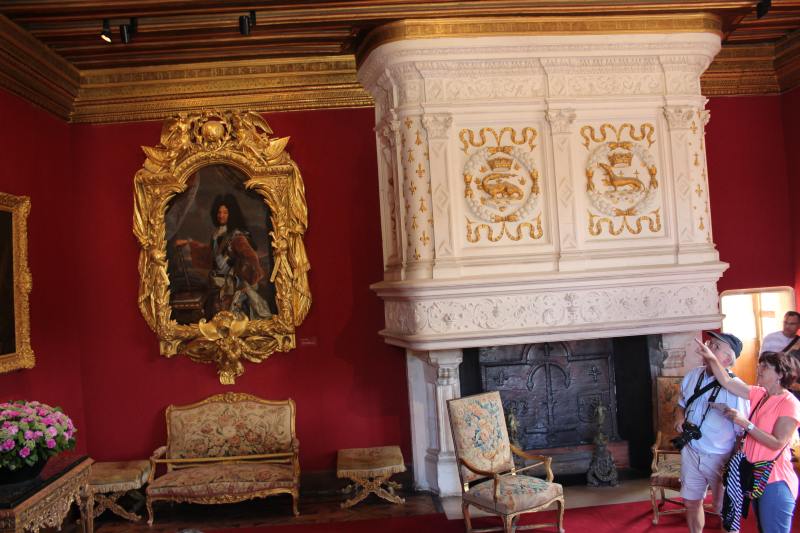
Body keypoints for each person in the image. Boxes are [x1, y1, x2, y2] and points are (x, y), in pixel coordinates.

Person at [698, 343, 800, 533]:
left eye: (765, 367)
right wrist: (712, 358)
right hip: (756, 475)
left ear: (780, 374)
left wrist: (745, 423)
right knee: (763, 528)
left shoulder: (789, 403)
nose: (758, 369)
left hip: (776, 479)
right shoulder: (761, 394)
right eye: (759, 365)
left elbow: (777, 442)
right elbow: (727, 382)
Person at [675, 331, 749, 533]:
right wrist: (679, 418)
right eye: (710, 343)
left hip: (719, 457)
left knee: (723, 510)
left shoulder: (737, 389)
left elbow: (742, 432)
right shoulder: (693, 375)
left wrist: (732, 465)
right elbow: (681, 404)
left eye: (715, 346)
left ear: (727, 358)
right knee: (691, 502)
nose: (708, 347)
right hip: (691, 451)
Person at [175, 194, 272, 321]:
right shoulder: (216, 234)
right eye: (219, 212)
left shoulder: (237, 236)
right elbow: (211, 254)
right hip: (217, 284)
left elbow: (251, 257)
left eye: (225, 212)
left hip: (232, 287)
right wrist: (189, 243)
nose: (221, 215)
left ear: (231, 214)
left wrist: (241, 274)